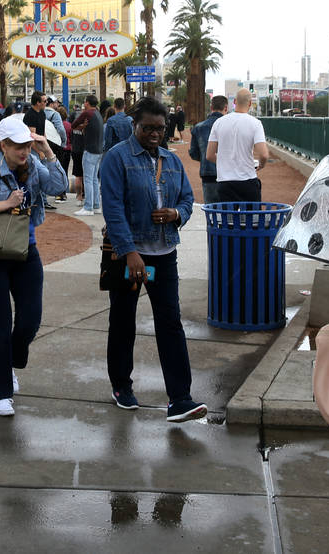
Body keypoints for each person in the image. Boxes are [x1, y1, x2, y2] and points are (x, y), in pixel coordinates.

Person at [99, 96, 207, 423]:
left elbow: (188, 199)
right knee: (123, 321)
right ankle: (121, 386)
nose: (154, 134)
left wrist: (177, 213)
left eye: (160, 128)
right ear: (135, 124)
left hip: (164, 255)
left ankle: (180, 398)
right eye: (147, 128)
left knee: (170, 322)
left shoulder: (170, 161)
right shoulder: (117, 158)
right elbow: (113, 209)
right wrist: (129, 251)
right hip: (130, 255)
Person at [0, 117, 68, 416]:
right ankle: (0, 392)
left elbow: (60, 186)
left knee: (30, 320)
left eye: (28, 145)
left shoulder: (33, 162)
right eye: (19, 146)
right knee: (0, 326)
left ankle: (9, 364)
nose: (25, 151)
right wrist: (4, 205)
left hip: (25, 251)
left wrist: (47, 151)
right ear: (4, 145)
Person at [206, 88, 268, 204]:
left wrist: (224, 161)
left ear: (234, 102)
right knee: (251, 219)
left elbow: (209, 155)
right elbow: (264, 154)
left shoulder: (219, 122)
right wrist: (261, 165)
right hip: (248, 180)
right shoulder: (255, 123)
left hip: (224, 182)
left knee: (227, 220)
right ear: (249, 103)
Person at [189, 95, 227, 205]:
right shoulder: (230, 125)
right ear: (226, 108)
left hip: (208, 174)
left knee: (211, 212)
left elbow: (194, 153)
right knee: (229, 213)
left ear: (211, 107)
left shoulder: (199, 127)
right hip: (228, 174)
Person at [22, 91, 57, 210]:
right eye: (44, 101)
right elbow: (31, 136)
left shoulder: (42, 113)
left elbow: (42, 132)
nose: (46, 103)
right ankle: (34, 201)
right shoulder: (30, 115)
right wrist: (40, 151)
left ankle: (43, 201)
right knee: (35, 176)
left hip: (41, 148)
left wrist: (46, 146)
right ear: (37, 102)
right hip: (34, 150)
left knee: (43, 175)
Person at [74, 95, 104, 216]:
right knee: (94, 180)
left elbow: (74, 124)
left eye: (85, 102)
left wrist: (81, 126)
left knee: (87, 179)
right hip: (99, 151)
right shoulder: (98, 114)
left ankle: (88, 208)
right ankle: (96, 206)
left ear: (87, 103)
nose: (84, 104)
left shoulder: (87, 113)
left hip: (90, 150)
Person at [45, 97, 68, 201]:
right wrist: (63, 142)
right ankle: (60, 194)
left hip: (43, 143)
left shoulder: (40, 113)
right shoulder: (55, 114)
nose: (58, 104)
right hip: (55, 144)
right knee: (59, 167)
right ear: (52, 104)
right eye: (56, 102)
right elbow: (61, 130)